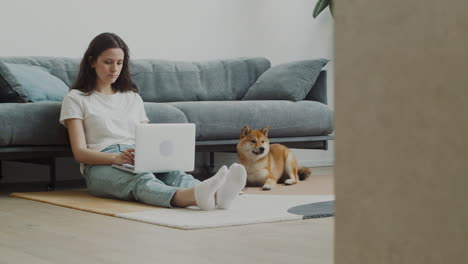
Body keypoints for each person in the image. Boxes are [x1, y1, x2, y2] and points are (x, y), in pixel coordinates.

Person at [59, 32, 246, 210]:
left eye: (119, 63)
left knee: (174, 174)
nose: (114, 69)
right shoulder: (76, 98)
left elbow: (148, 138)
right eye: (108, 62)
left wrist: (151, 157)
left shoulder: (131, 97)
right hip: (101, 164)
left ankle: (218, 194)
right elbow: (80, 153)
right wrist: (115, 158)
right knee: (142, 180)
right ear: (92, 62)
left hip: (137, 156)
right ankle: (197, 196)